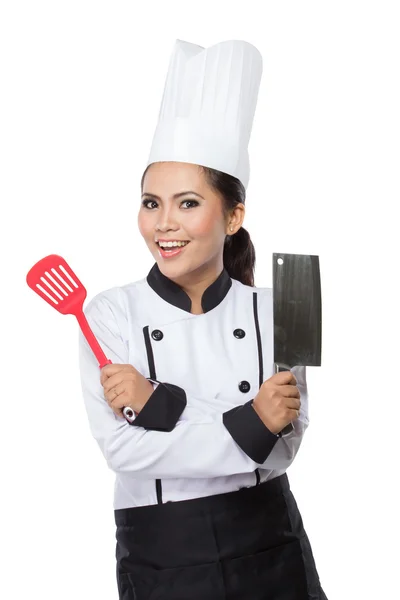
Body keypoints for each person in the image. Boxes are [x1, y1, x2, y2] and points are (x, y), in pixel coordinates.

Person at [79, 40, 328, 599]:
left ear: (233, 215)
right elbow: (124, 453)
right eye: (151, 202)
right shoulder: (107, 313)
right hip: (162, 550)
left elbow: (286, 446)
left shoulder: (279, 306)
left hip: (270, 541)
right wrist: (248, 424)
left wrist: (161, 408)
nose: (164, 224)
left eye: (188, 203)